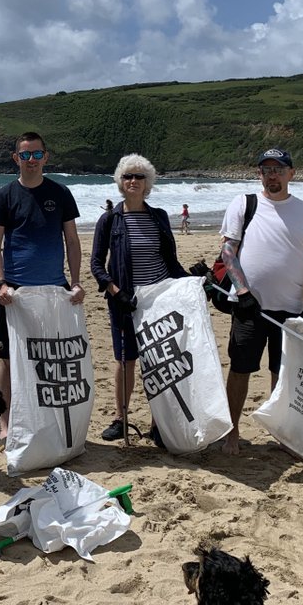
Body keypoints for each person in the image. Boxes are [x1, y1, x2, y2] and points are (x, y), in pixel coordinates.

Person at [217, 149, 303, 456]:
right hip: (249, 307)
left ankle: (282, 434)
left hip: (290, 311)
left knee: (282, 375)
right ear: (259, 174)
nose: (272, 175)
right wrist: (242, 292)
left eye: (278, 169)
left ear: (292, 173)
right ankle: (232, 432)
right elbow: (228, 253)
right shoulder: (244, 204)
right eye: (266, 170)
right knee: (240, 369)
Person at [0, 132, 85, 437]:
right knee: (8, 356)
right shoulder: (5, 195)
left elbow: (71, 240)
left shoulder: (61, 193)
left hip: (54, 291)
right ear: (16, 158)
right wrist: (1, 283)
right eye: (25, 155)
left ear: (46, 157)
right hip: (14, 292)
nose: (31, 160)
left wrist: (77, 282)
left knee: (52, 356)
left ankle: (47, 419)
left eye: (37, 154)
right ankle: (4, 424)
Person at [90, 154, 186, 442]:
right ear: (120, 182)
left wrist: (192, 281)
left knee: (159, 361)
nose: (133, 181)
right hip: (124, 301)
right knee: (126, 360)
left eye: (139, 176)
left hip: (158, 301)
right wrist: (116, 292)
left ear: (148, 183)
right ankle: (121, 418)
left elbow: (171, 261)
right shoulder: (109, 219)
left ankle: (159, 423)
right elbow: (96, 264)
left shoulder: (159, 217)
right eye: (128, 176)